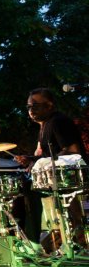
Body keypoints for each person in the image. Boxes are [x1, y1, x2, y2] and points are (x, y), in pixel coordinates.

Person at [14, 88, 88, 251]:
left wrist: (40, 163)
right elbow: (48, 154)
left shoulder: (58, 122)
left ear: (49, 106)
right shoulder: (44, 126)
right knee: (24, 189)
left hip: (69, 176)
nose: (31, 110)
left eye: (35, 106)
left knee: (29, 189)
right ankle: (29, 240)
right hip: (55, 175)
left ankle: (33, 243)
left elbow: (73, 151)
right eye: (28, 107)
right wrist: (30, 159)